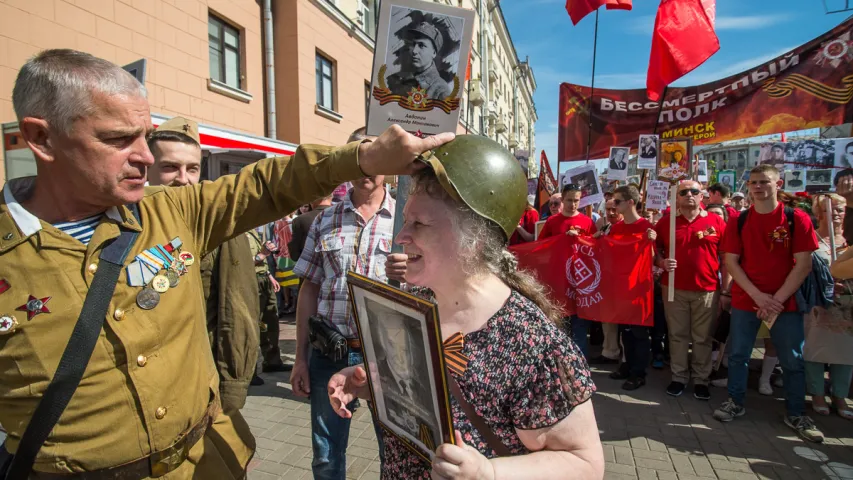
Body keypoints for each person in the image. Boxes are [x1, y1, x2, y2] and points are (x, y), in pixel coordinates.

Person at [0, 48, 453, 478]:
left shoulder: (170, 213)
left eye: (144, 136)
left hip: (205, 465)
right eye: (118, 139)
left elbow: (267, 184)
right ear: (42, 137)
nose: (143, 155)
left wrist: (363, 157)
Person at [327, 135, 604, 479]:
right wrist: (370, 385)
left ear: (472, 238)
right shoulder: (418, 306)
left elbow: (584, 463)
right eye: (405, 221)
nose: (400, 237)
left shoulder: (532, 341)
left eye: (420, 224)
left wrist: (488, 473)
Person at [290, 127, 411, 479]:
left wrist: (414, 272)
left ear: (389, 166)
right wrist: (300, 358)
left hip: (390, 356)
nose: (366, 168)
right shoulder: (325, 220)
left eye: (377, 159)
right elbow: (309, 290)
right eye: (359, 158)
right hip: (330, 352)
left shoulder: (407, 221)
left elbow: (434, 288)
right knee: (326, 456)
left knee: (396, 453)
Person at [146, 115, 264, 404]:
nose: (183, 179)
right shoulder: (130, 221)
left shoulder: (218, 227)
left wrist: (233, 388)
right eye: (170, 167)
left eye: (192, 169)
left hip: (196, 378)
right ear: (147, 168)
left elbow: (237, 309)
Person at [715, 164, 824, 443]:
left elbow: (803, 265)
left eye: (764, 181)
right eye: (753, 182)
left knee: (792, 360)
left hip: (784, 302)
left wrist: (775, 300)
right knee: (738, 355)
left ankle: (796, 412)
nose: (758, 187)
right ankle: (735, 402)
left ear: (778, 184)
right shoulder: (738, 220)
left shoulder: (796, 218)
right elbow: (732, 263)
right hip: (747, 299)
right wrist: (758, 296)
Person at [655, 180, 728, 401]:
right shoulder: (666, 223)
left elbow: (726, 258)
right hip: (673, 289)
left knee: (702, 338)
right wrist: (661, 263)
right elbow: (653, 250)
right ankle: (678, 377)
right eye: (683, 192)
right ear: (676, 197)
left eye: (694, 191)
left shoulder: (716, 222)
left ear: (702, 196)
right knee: (677, 336)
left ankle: (701, 380)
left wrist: (726, 291)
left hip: (707, 290)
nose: (689, 195)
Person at [804, 194, 853, 420]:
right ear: (817, 213)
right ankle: (816, 392)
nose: (835, 213)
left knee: (846, 352)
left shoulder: (850, 241)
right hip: (819, 305)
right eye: (828, 209)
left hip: (847, 307)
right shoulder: (810, 239)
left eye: (840, 209)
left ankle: (840, 394)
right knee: (816, 347)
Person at [606, 185, 657, 390]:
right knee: (624, 331)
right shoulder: (616, 228)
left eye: (617, 202)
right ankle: (626, 365)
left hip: (639, 288)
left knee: (639, 333)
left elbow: (654, 258)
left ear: (630, 203)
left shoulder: (646, 227)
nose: (614, 206)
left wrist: (652, 241)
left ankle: (638, 372)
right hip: (622, 287)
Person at [539, 183, 598, 356]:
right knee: (561, 328)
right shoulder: (552, 222)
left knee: (580, 329)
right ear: (563, 200)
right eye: (569, 200)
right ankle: (561, 367)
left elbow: (594, 248)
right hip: (559, 281)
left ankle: (580, 369)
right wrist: (562, 239)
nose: (573, 204)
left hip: (581, 282)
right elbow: (542, 246)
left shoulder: (587, 222)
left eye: (576, 200)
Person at [246, 226, 290, 372]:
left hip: (263, 280)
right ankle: (249, 371)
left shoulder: (252, 231)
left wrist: (269, 276)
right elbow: (240, 264)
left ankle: (272, 361)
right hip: (251, 282)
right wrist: (262, 255)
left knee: (270, 322)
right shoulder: (238, 234)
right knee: (253, 326)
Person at [386, 17, 453, 100]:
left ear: (434, 53)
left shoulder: (441, 91)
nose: (414, 50)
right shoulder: (400, 80)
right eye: (414, 44)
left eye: (421, 45)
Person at [289, 194, 333, 263]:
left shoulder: (300, 220)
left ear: (311, 200)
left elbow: (295, 255)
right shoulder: (343, 216)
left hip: (311, 269)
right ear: (331, 198)